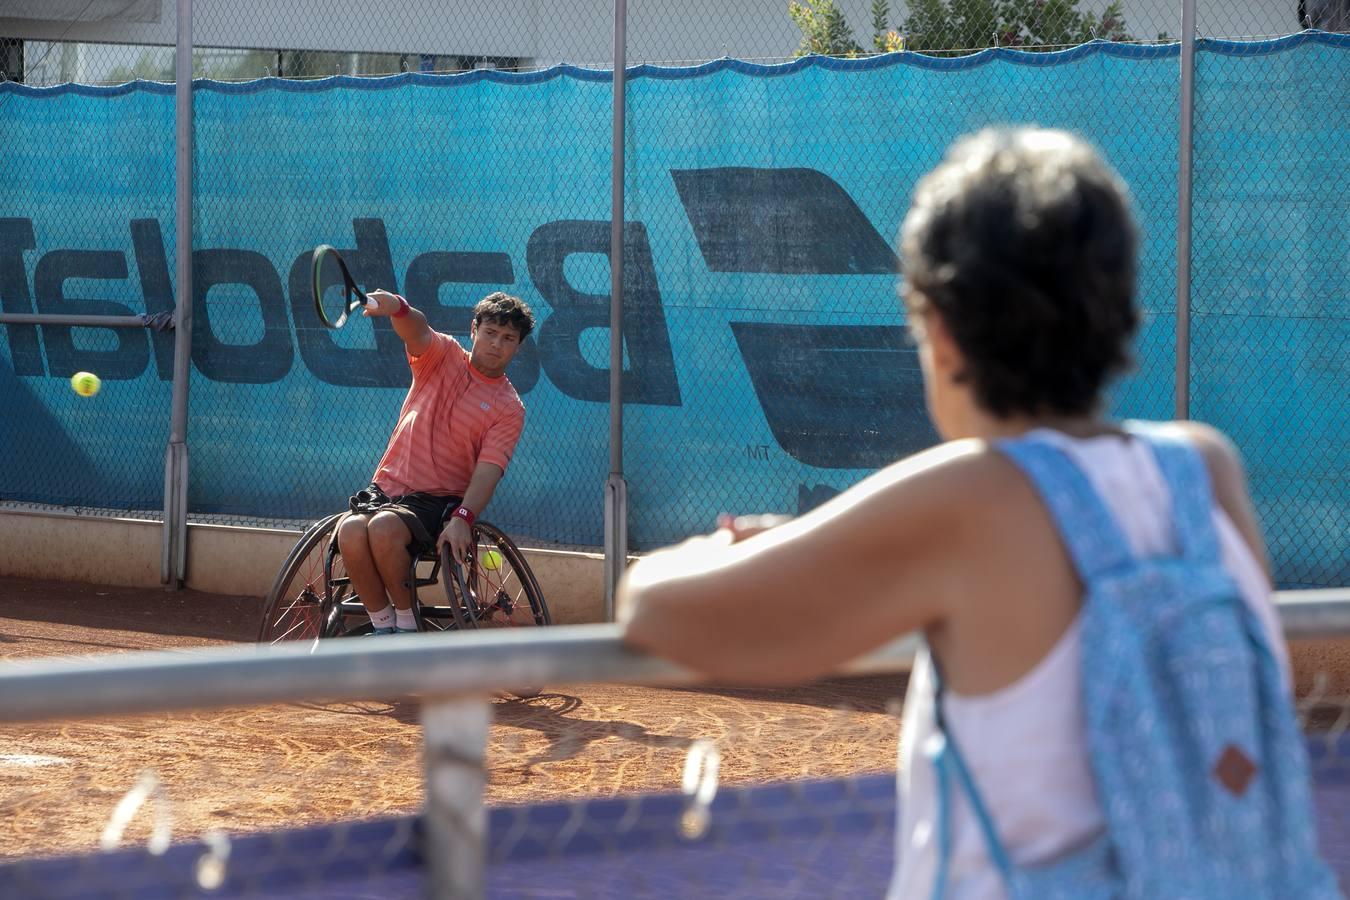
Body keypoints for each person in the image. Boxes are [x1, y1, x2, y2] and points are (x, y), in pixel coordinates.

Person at [618, 128, 1336, 896]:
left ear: (945, 332)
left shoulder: (971, 497)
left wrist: (710, 552)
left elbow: (658, 609)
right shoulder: (1204, 466)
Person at [339, 289, 534, 635]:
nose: (496, 344)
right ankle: (384, 628)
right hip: (386, 487)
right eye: (490, 333)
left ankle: (407, 630)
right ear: (473, 330)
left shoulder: (509, 407)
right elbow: (417, 330)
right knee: (351, 531)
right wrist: (398, 307)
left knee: (382, 528)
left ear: (518, 346)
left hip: (437, 502)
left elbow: (489, 470)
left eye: (508, 338)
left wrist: (463, 516)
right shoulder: (442, 355)